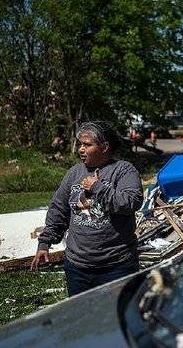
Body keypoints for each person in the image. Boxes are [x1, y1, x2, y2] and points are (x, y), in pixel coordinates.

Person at [31, 120, 143, 297]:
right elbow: (59, 209)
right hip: (77, 268)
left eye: (87, 144)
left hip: (117, 267)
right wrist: (45, 243)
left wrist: (97, 187)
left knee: (117, 318)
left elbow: (132, 201)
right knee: (83, 319)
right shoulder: (74, 173)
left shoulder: (123, 170)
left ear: (105, 147)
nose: (80, 149)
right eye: (80, 144)